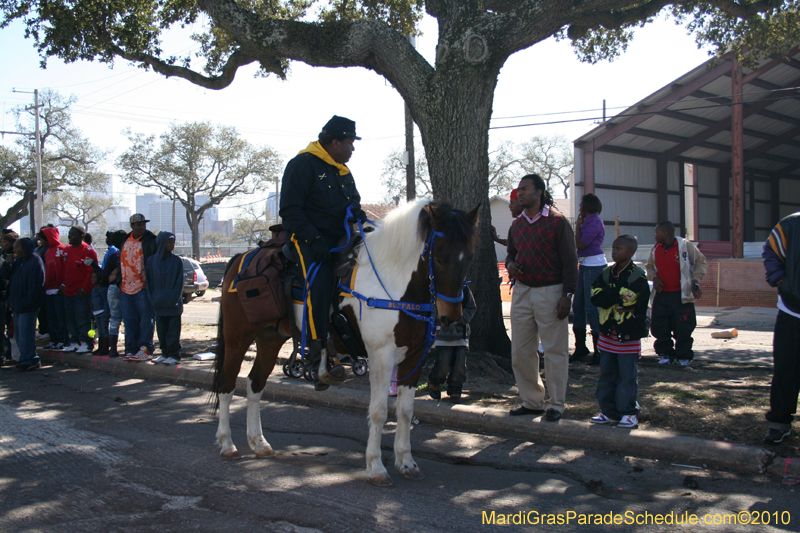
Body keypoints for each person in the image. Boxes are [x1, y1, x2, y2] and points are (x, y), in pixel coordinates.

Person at [279, 115, 366, 391]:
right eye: (350, 143)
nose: (353, 149)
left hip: (342, 237)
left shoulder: (343, 171)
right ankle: (317, 360)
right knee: (319, 285)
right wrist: (314, 239)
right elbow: (290, 211)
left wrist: (356, 211)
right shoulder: (302, 164)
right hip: (310, 241)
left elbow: (353, 201)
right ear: (335, 141)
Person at [506, 173, 578, 422]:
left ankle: (556, 404)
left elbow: (570, 262)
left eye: (525, 189)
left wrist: (567, 295)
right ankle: (531, 401)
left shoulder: (557, 222)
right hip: (523, 291)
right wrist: (511, 265)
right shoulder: (516, 225)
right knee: (521, 351)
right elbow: (510, 254)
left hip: (552, 291)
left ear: (539, 192)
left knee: (555, 350)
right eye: (519, 189)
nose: (520, 193)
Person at [589, 235, 650, 429]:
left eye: (618, 248)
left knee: (626, 376)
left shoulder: (637, 275)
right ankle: (609, 412)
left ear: (630, 252)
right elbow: (595, 295)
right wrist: (616, 293)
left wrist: (611, 294)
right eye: (613, 248)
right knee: (606, 374)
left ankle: (628, 413)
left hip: (628, 336)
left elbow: (633, 299)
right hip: (607, 335)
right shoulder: (607, 273)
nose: (614, 251)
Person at [644, 221, 707, 367]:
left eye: (656, 232)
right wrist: (654, 277)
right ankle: (666, 355)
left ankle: (684, 357)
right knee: (660, 326)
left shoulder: (685, 246)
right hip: (662, 295)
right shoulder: (656, 248)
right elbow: (649, 266)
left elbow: (701, 261)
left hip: (681, 295)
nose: (654, 235)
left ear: (665, 233)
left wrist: (695, 281)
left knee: (683, 327)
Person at [762, 212, 800, 445]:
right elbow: (771, 252)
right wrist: (781, 282)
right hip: (792, 310)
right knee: (786, 369)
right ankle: (779, 424)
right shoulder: (791, 223)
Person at [572, 193, 606, 365]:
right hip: (585, 265)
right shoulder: (589, 221)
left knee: (591, 307)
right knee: (578, 305)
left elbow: (581, 244)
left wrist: (578, 227)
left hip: (594, 265)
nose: (579, 207)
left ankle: (599, 350)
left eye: (581, 204)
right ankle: (580, 347)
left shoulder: (594, 221)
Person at [2, 238, 45, 371]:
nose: (14, 250)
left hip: (27, 305)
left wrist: (26, 302)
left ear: (24, 248)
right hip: (16, 305)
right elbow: (5, 276)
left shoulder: (35, 261)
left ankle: (30, 359)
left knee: (26, 334)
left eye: (16, 247)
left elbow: (35, 286)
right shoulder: (17, 262)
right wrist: (7, 264)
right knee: (20, 335)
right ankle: (26, 358)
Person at [119, 213, 158, 360]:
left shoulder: (150, 240)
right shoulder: (124, 240)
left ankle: (145, 348)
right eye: (139, 224)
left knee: (146, 319)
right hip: (125, 287)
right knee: (129, 320)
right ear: (132, 226)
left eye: (143, 224)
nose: (142, 227)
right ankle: (131, 349)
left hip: (143, 287)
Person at [428, 286, 476, 403]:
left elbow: (471, 307)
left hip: (460, 335)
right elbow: (431, 308)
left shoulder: (464, 289)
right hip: (442, 336)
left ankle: (455, 389)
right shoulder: (436, 290)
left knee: (459, 365)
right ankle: (435, 381)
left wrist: (460, 318)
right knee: (443, 363)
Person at [145, 232, 183, 365]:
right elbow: (149, 282)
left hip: (173, 304)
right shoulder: (151, 261)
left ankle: (174, 355)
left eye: (173, 242)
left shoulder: (177, 261)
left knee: (173, 330)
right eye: (169, 242)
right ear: (161, 243)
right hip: (158, 303)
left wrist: (175, 298)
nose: (172, 245)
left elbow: (179, 283)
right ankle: (164, 353)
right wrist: (152, 298)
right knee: (161, 329)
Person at [60, 225, 98, 353]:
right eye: (69, 234)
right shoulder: (67, 250)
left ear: (81, 235)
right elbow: (64, 270)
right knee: (70, 318)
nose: (70, 236)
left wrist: (85, 288)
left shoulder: (87, 251)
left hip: (81, 293)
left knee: (83, 317)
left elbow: (91, 271)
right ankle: (74, 341)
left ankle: (86, 342)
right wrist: (63, 285)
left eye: (73, 234)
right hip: (68, 292)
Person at [40, 226, 67, 350]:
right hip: (49, 289)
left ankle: (63, 339)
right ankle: (54, 339)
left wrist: (63, 284)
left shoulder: (61, 249)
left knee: (60, 316)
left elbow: (67, 269)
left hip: (59, 289)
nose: (42, 243)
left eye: (43, 239)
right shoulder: (47, 251)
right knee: (50, 317)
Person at [0, 231, 17, 364]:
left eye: (5, 242)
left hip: (9, 295)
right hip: (2, 295)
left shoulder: (16, 258)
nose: (3, 244)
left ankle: (11, 353)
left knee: (11, 326)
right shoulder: (2, 255)